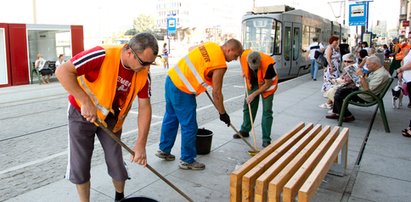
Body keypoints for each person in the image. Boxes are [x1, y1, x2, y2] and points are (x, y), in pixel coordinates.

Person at [55, 33, 159, 202]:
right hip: (81, 113)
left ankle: (120, 198)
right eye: (143, 63)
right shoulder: (102, 54)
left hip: (111, 117)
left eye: (150, 63)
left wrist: (141, 144)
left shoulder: (144, 73)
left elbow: (145, 107)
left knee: (115, 160)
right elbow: (62, 71)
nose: (146, 67)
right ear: (128, 51)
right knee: (80, 163)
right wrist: (84, 101)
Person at [156, 39, 243, 170]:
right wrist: (222, 113)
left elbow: (192, 48)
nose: (235, 59)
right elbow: (217, 93)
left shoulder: (210, 45)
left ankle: (164, 150)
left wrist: (202, 72)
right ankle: (187, 160)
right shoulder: (220, 64)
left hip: (171, 79)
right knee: (189, 125)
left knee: (171, 117)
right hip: (183, 90)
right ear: (229, 50)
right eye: (235, 55)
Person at [326, 55, 390, 122]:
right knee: (340, 90)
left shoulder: (381, 75)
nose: (367, 66)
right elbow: (367, 82)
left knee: (340, 93)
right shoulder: (377, 71)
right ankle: (338, 112)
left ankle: (347, 115)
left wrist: (361, 76)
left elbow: (367, 89)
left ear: (374, 64)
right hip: (363, 91)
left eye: (368, 65)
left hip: (365, 95)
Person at [236, 50, 278, 148]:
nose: (254, 69)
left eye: (257, 67)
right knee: (248, 105)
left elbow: (267, 84)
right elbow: (241, 61)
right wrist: (243, 71)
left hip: (267, 85)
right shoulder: (244, 56)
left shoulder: (268, 65)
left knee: (267, 111)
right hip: (253, 82)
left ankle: (266, 139)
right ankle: (245, 130)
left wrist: (254, 94)